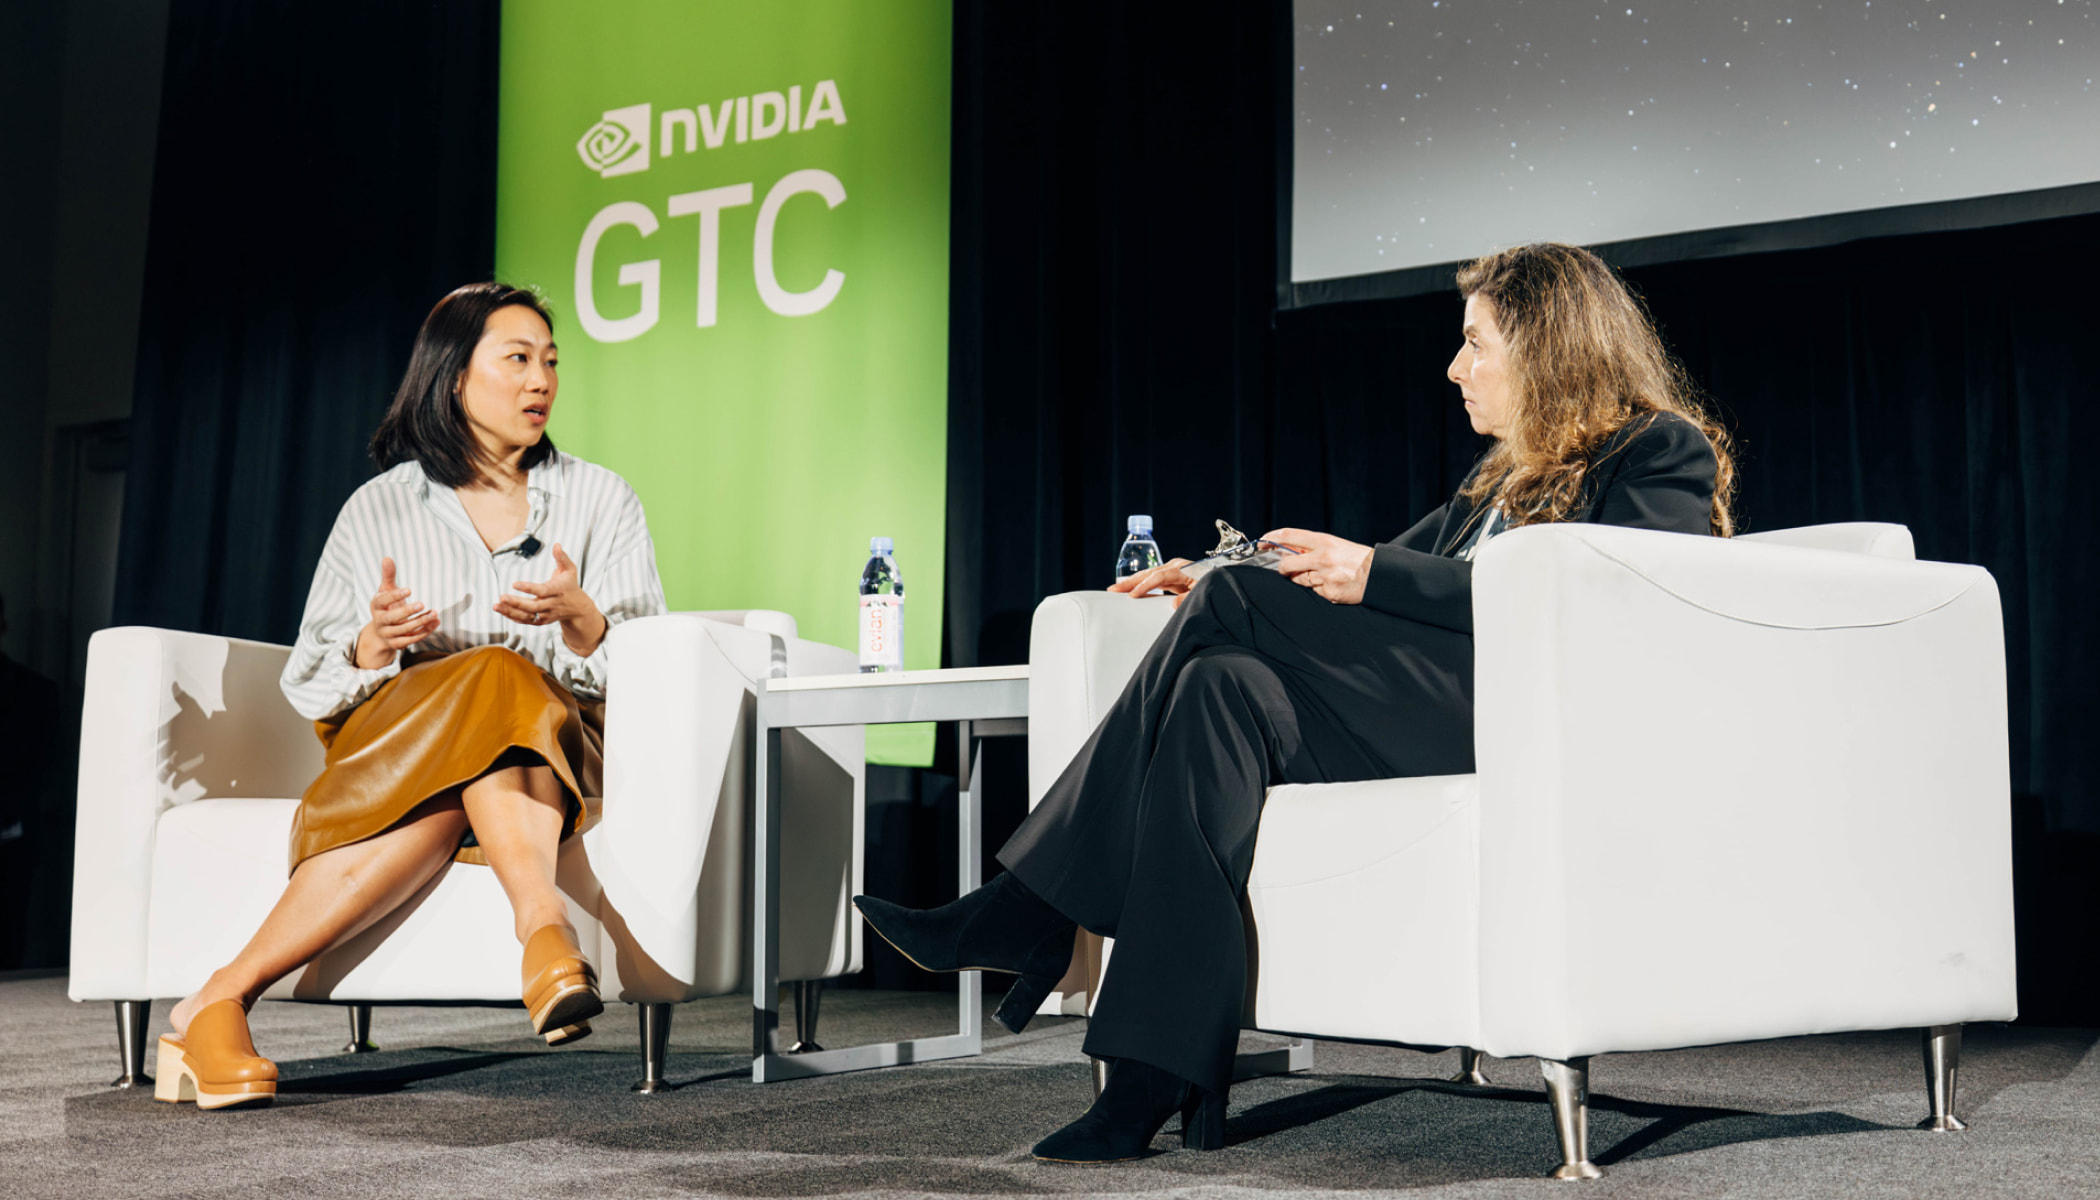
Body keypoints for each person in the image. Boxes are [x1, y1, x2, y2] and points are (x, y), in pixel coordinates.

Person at [854, 242, 1737, 1162]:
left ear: (1550, 348)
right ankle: (1151, 1073)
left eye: (1476, 344)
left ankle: (1028, 907)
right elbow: (1366, 573)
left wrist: (1352, 575)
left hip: (1524, 727)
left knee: (1230, 612)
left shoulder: (1657, 449)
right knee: (1217, 688)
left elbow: (1609, 599)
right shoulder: (1495, 484)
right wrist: (1208, 569)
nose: (1455, 367)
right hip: (1424, 714)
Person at [156, 283, 666, 1110]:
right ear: (455, 378)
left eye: (550, 362)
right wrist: (373, 644)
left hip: (555, 742)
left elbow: (653, 674)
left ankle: (216, 1000)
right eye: (518, 359)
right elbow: (310, 678)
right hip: (397, 738)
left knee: (497, 703)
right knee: (493, 676)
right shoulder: (378, 508)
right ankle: (544, 929)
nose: (541, 380)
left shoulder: (603, 500)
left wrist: (584, 624)